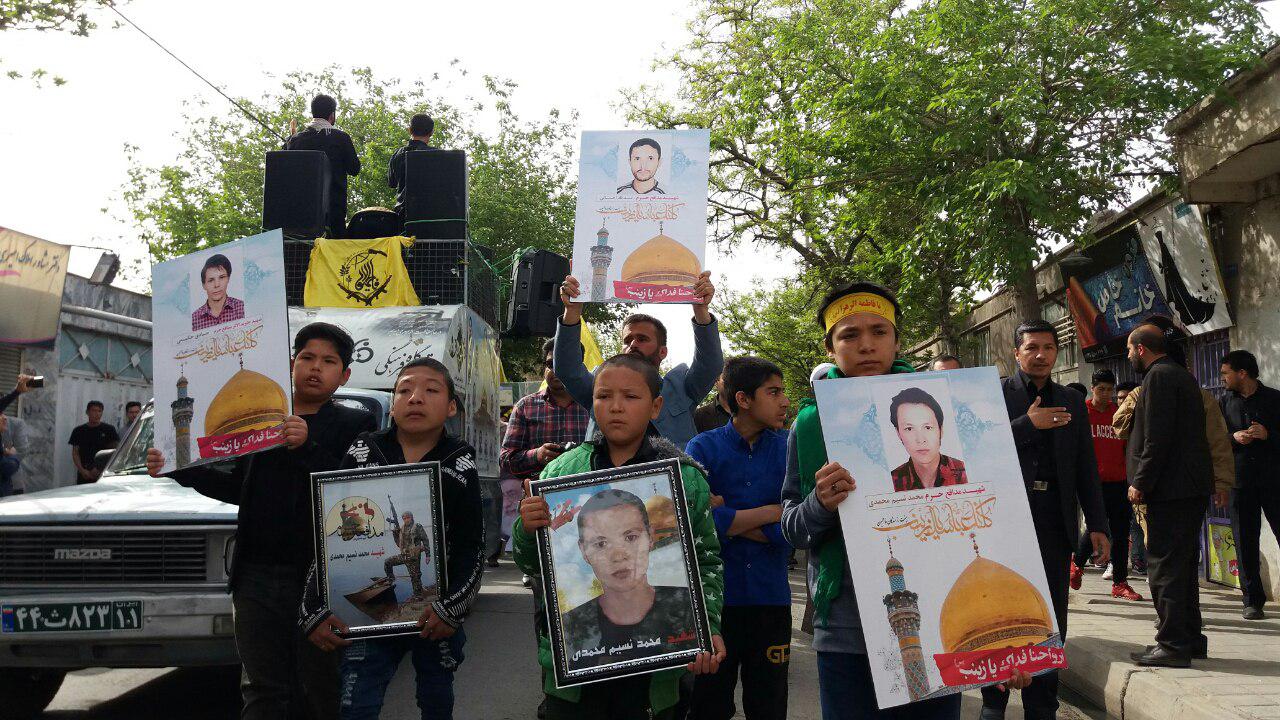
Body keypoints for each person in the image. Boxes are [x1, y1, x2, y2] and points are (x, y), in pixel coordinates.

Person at [781, 280, 1006, 720]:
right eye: (849, 334)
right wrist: (819, 503)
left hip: (940, 618)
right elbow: (791, 528)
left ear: (897, 340)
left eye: (879, 331)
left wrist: (1001, 639)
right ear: (830, 347)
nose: (866, 345)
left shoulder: (953, 408)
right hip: (845, 631)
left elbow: (989, 521)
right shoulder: (810, 426)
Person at [147, 323, 377, 720]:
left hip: (320, 578)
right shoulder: (261, 419)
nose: (315, 368)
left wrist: (307, 446)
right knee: (261, 687)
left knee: (319, 684)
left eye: (328, 361)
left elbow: (352, 491)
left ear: (344, 375)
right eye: (307, 357)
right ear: (291, 364)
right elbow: (241, 487)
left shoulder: (355, 425)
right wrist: (179, 469)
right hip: (255, 574)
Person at [513, 353, 726, 719]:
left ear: (655, 406)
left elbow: (706, 560)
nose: (615, 407)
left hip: (656, 675)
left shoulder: (683, 479)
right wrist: (526, 528)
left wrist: (706, 626)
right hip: (576, 677)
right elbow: (534, 566)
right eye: (603, 396)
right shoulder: (560, 474)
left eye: (630, 396)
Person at [301, 357, 484, 720]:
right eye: (404, 390)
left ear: (451, 407)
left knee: (436, 698)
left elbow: (471, 546)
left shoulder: (460, 462)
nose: (416, 397)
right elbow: (329, 539)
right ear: (394, 403)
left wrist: (451, 609)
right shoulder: (363, 451)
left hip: (435, 616)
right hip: (366, 622)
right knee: (356, 703)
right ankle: (389, 588)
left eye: (431, 390)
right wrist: (312, 609)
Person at [987, 318, 1109, 720]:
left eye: (1048, 348)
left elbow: (1086, 466)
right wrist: (1027, 425)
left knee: (1049, 615)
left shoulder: (1071, 400)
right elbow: (975, 448)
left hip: (1053, 521)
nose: (1041, 355)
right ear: (1016, 353)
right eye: (1032, 348)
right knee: (1000, 613)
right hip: (1002, 522)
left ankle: (1042, 705)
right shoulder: (994, 395)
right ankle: (993, 702)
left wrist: (1098, 524)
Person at [686, 356, 792, 720]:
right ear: (743, 399)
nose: (785, 401)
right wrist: (772, 511)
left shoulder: (788, 449)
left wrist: (727, 519)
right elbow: (695, 522)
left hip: (770, 598)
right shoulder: (702, 448)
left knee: (769, 704)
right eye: (773, 392)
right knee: (708, 704)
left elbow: (794, 527)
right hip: (716, 602)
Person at [1124, 323, 1212, 667]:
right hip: (1185, 488)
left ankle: (1173, 645)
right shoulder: (1179, 375)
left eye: (1129, 350)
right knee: (1183, 567)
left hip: (1170, 490)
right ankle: (1189, 638)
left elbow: (1157, 437)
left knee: (1164, 569)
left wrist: (1141, 481)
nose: (1128, 356)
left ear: (1141, 349)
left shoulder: (1159, 377)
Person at [556, 273, 723, 450]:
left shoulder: (681, 387)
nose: (633, 345)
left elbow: (710, 365)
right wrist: (572, 311)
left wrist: (701, 311)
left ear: (663, 352)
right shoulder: (598, 384)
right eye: (627, 340)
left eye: (642, 339)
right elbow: (567, 369)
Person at [559, 488, 700, 669]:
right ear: (583, 551)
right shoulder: (570, 625)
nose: (619, 556)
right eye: (601, 544)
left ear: (650, 537)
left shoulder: (690, 608)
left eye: (631, 537)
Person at [501, 339, 592, 582]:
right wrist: (537, 455)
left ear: (580, 366)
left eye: (564, 363)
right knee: (543, 581)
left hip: (587, 504)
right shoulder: (525, 407)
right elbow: (507, 460)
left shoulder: (595, 405)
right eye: (550, 364)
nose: (555, 370)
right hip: (539, 509)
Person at [1068, 370, 1143, 601]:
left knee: (1120, 533)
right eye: (1101, 389)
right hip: (1091, 483)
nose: (1106, 394)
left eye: (1110, 390)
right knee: (1096, 526)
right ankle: (1077, 565)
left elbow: (1129, 447)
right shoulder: (1082, 412)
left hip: (1119, 482)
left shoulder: (1118, 414)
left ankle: (1120, 582)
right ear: (1092, 388)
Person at [1219, 349, 1280, 620]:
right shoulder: (1224, 403)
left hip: (1274, 480)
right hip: (1240, 481)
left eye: (1226, 373)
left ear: (1242, 373)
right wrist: (1234, 437)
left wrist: (1268, 435)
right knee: (1244, 540)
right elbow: (1216, 440)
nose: (1223, 378)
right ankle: (1252, 600)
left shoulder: (1275, 399)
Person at [283, 94, 362, 238]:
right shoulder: (341, 138)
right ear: (332, 115)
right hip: (333, 213)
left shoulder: (295, 140)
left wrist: (291, 139)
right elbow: (354, 169)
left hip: (300, 216)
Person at [888, 387, 968, 492]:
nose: (920, 440)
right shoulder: (890, 481)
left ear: (941, 430)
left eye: (928, 427)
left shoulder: (966, 472)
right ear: (898, 433)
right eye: (909, 429)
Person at [1114, 380, 1145, 573]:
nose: (1123, 402)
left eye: (1128, 398)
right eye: (1120, 398)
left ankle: (1139, 559)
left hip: (1137, 481)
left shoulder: (1144, 417)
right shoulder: (1118, 418)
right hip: (1116, 481)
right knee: (1121, 525)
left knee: (1138, 523)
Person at [388, 113, 439, 222]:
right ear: (431, 132)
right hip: (431, 216)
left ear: (410, 130)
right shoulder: (438, 155)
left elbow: (392, 183)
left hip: (403, 216)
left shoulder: (397, 154)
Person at [385, 510, 432, 600]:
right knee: (387, 562)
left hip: (414, 557)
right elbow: (399, 544)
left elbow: (425, 540)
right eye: (404, 518)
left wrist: (428, 555)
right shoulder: (402, 529)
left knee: (415, 576)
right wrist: (395, 534)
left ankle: (418, 596)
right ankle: (390, 578)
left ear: (411, 517)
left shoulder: (417, 526)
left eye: (408, 517)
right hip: (404, 556)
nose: (406, 520)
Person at [69, 401, 118, 485]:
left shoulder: (109, 429)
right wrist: (82, 470)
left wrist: (99, 468)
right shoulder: (78, 430)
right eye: (94, 410)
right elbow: (75, 453)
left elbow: (114, 451)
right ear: (87, 412)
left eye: (99, 411)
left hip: (103, 473)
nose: (97, 414)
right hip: (84, 472)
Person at [191, 254, 245, 330]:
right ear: (204, 285)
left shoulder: (242, 308)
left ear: (228, 279)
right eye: (211, 280)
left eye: (222, 277)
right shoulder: (194, 319)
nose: (217, 285)